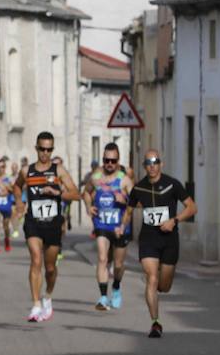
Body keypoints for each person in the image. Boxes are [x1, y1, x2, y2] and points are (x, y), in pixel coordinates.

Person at [125, 149, 197, 337]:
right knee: (152, 278)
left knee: (164, 286)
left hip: (169, 239)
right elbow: (129, 210)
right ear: (144, 167)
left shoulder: (172, 185)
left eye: (155, 162)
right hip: (148, 238)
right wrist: (120, 228)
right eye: (148, 163)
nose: (152, 166)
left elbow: (192, 207)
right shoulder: (138, 188)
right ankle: (155, 323)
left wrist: (174, 221)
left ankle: (155, 288)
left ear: (161, 164)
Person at [14, 132, 80, 322]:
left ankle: (47, 295)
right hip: (33, 221)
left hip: (53, 224)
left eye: (49, 149)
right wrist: (19, 201)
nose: (45, 153)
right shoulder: (27, 170)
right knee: (36, 259)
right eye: (42, 149)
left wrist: (57, 191)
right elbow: (17, 186)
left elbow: (76, 194)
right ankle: (35, 305)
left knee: (50, 268)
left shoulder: (58, 170)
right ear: (36, 148)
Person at [83, 143, 132, 311]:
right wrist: (89, 206)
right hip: (102, 223)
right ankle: (103, 297)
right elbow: (85, 192)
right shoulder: (96, 177)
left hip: (120, 226)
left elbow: (136, 203)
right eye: (106, 160)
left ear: (118, 161)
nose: (109, 163)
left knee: (118, 265)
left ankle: (116, 287)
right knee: (102, 258)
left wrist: (124, 200)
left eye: (113, 160)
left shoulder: (125, 180)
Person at [0, 155, 14, 253]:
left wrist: (2, 185)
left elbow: (12, 189)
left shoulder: (9, 178)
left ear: (5, 167)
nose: (0, 169)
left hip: (7, 204)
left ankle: (7, 239)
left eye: (2, 167)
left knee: (6, 225)